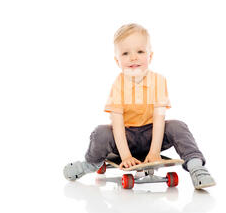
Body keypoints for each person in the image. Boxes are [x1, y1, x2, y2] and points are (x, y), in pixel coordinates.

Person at [63, 23, 216, 190]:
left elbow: (159, 119)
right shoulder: (118, 85)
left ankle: (196, 166)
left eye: (140, 52)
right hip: (126, 136)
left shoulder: (158, 81)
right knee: (101, 132)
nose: (133, 57)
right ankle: (90, 164)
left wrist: (154, 152)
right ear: (117, 60)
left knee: (177, 126)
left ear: (150, 56)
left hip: (151, 134)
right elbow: (117, 124)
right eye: (126, 53)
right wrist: (125, 155)